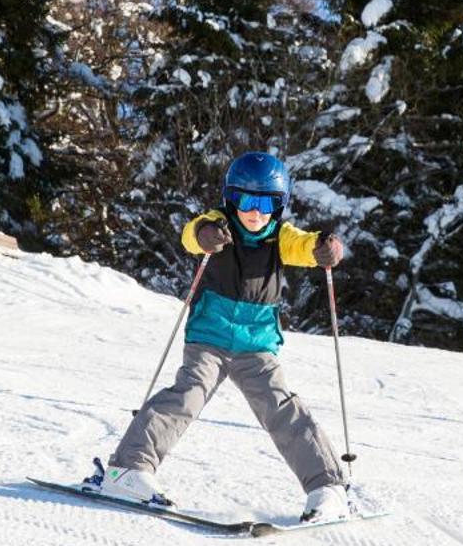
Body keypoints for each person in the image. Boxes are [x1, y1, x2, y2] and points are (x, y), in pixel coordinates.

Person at [83, 151, 354, 523]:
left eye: (266, 203)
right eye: (245, 201)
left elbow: (307, 245)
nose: (254, 212)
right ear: (231, 199)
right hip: (209, 337)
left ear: (279, 205)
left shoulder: (281, 237)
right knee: (187, 396)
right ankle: (127, 471)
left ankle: (327, 488)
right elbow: (190, 236)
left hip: (256, 344)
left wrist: (327, 248)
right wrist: (204, 235)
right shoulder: (218, 225)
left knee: (281, 407)